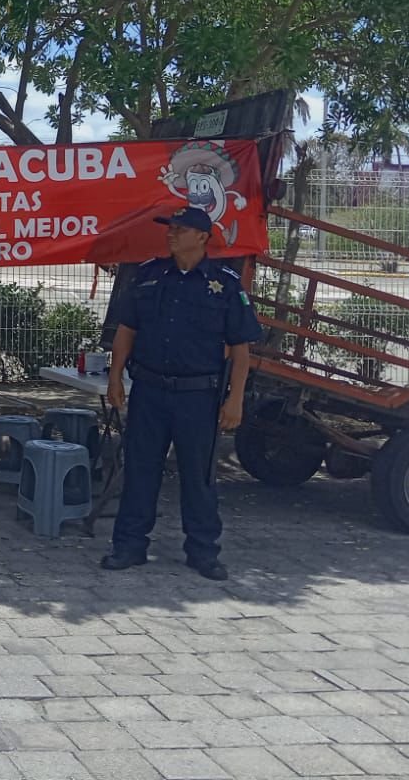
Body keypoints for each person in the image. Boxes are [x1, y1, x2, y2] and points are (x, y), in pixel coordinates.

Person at [101, 205, 261, 581]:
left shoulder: (224, 284)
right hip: (149, 391)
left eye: (180, 229)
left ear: (202, 237)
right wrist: (115, 377)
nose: (171, 234)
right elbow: (127, 330)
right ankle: (129, 546)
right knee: (140, 470)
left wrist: (235, 399)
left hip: (198, 397)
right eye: (170, 228)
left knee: (198, 476)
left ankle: (203, 552)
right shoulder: (149, 275)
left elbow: (241, 350)